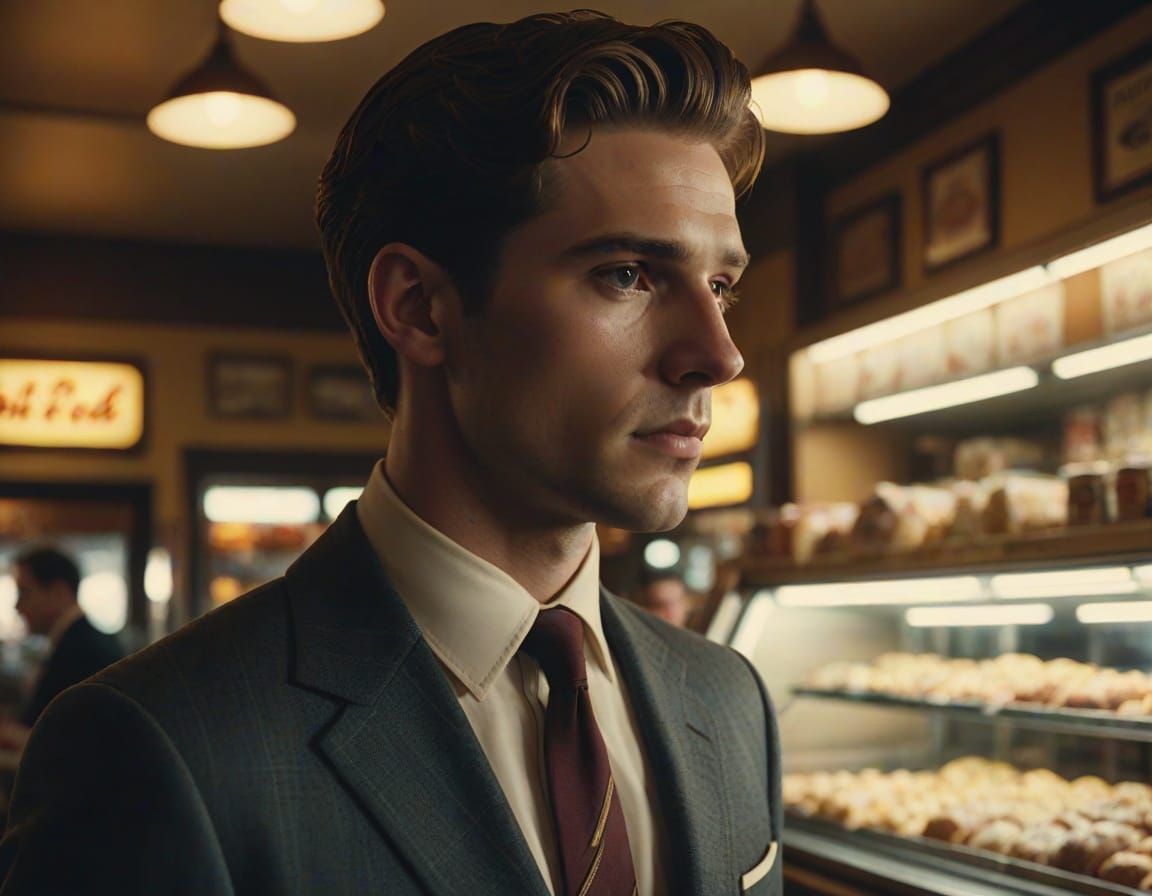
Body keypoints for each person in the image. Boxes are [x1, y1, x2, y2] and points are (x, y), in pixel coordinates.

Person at [0, 11, 781, 895]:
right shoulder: (157, 743)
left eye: (721, 285)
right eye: (628, 274)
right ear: (417, 306)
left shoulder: (730, 698)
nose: (718, 353)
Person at [0, 547, 124, 752]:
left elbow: (76, 744)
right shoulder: (78, 639)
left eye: (24, 592)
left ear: (59, 592)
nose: (17, 606)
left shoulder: (83, 648)